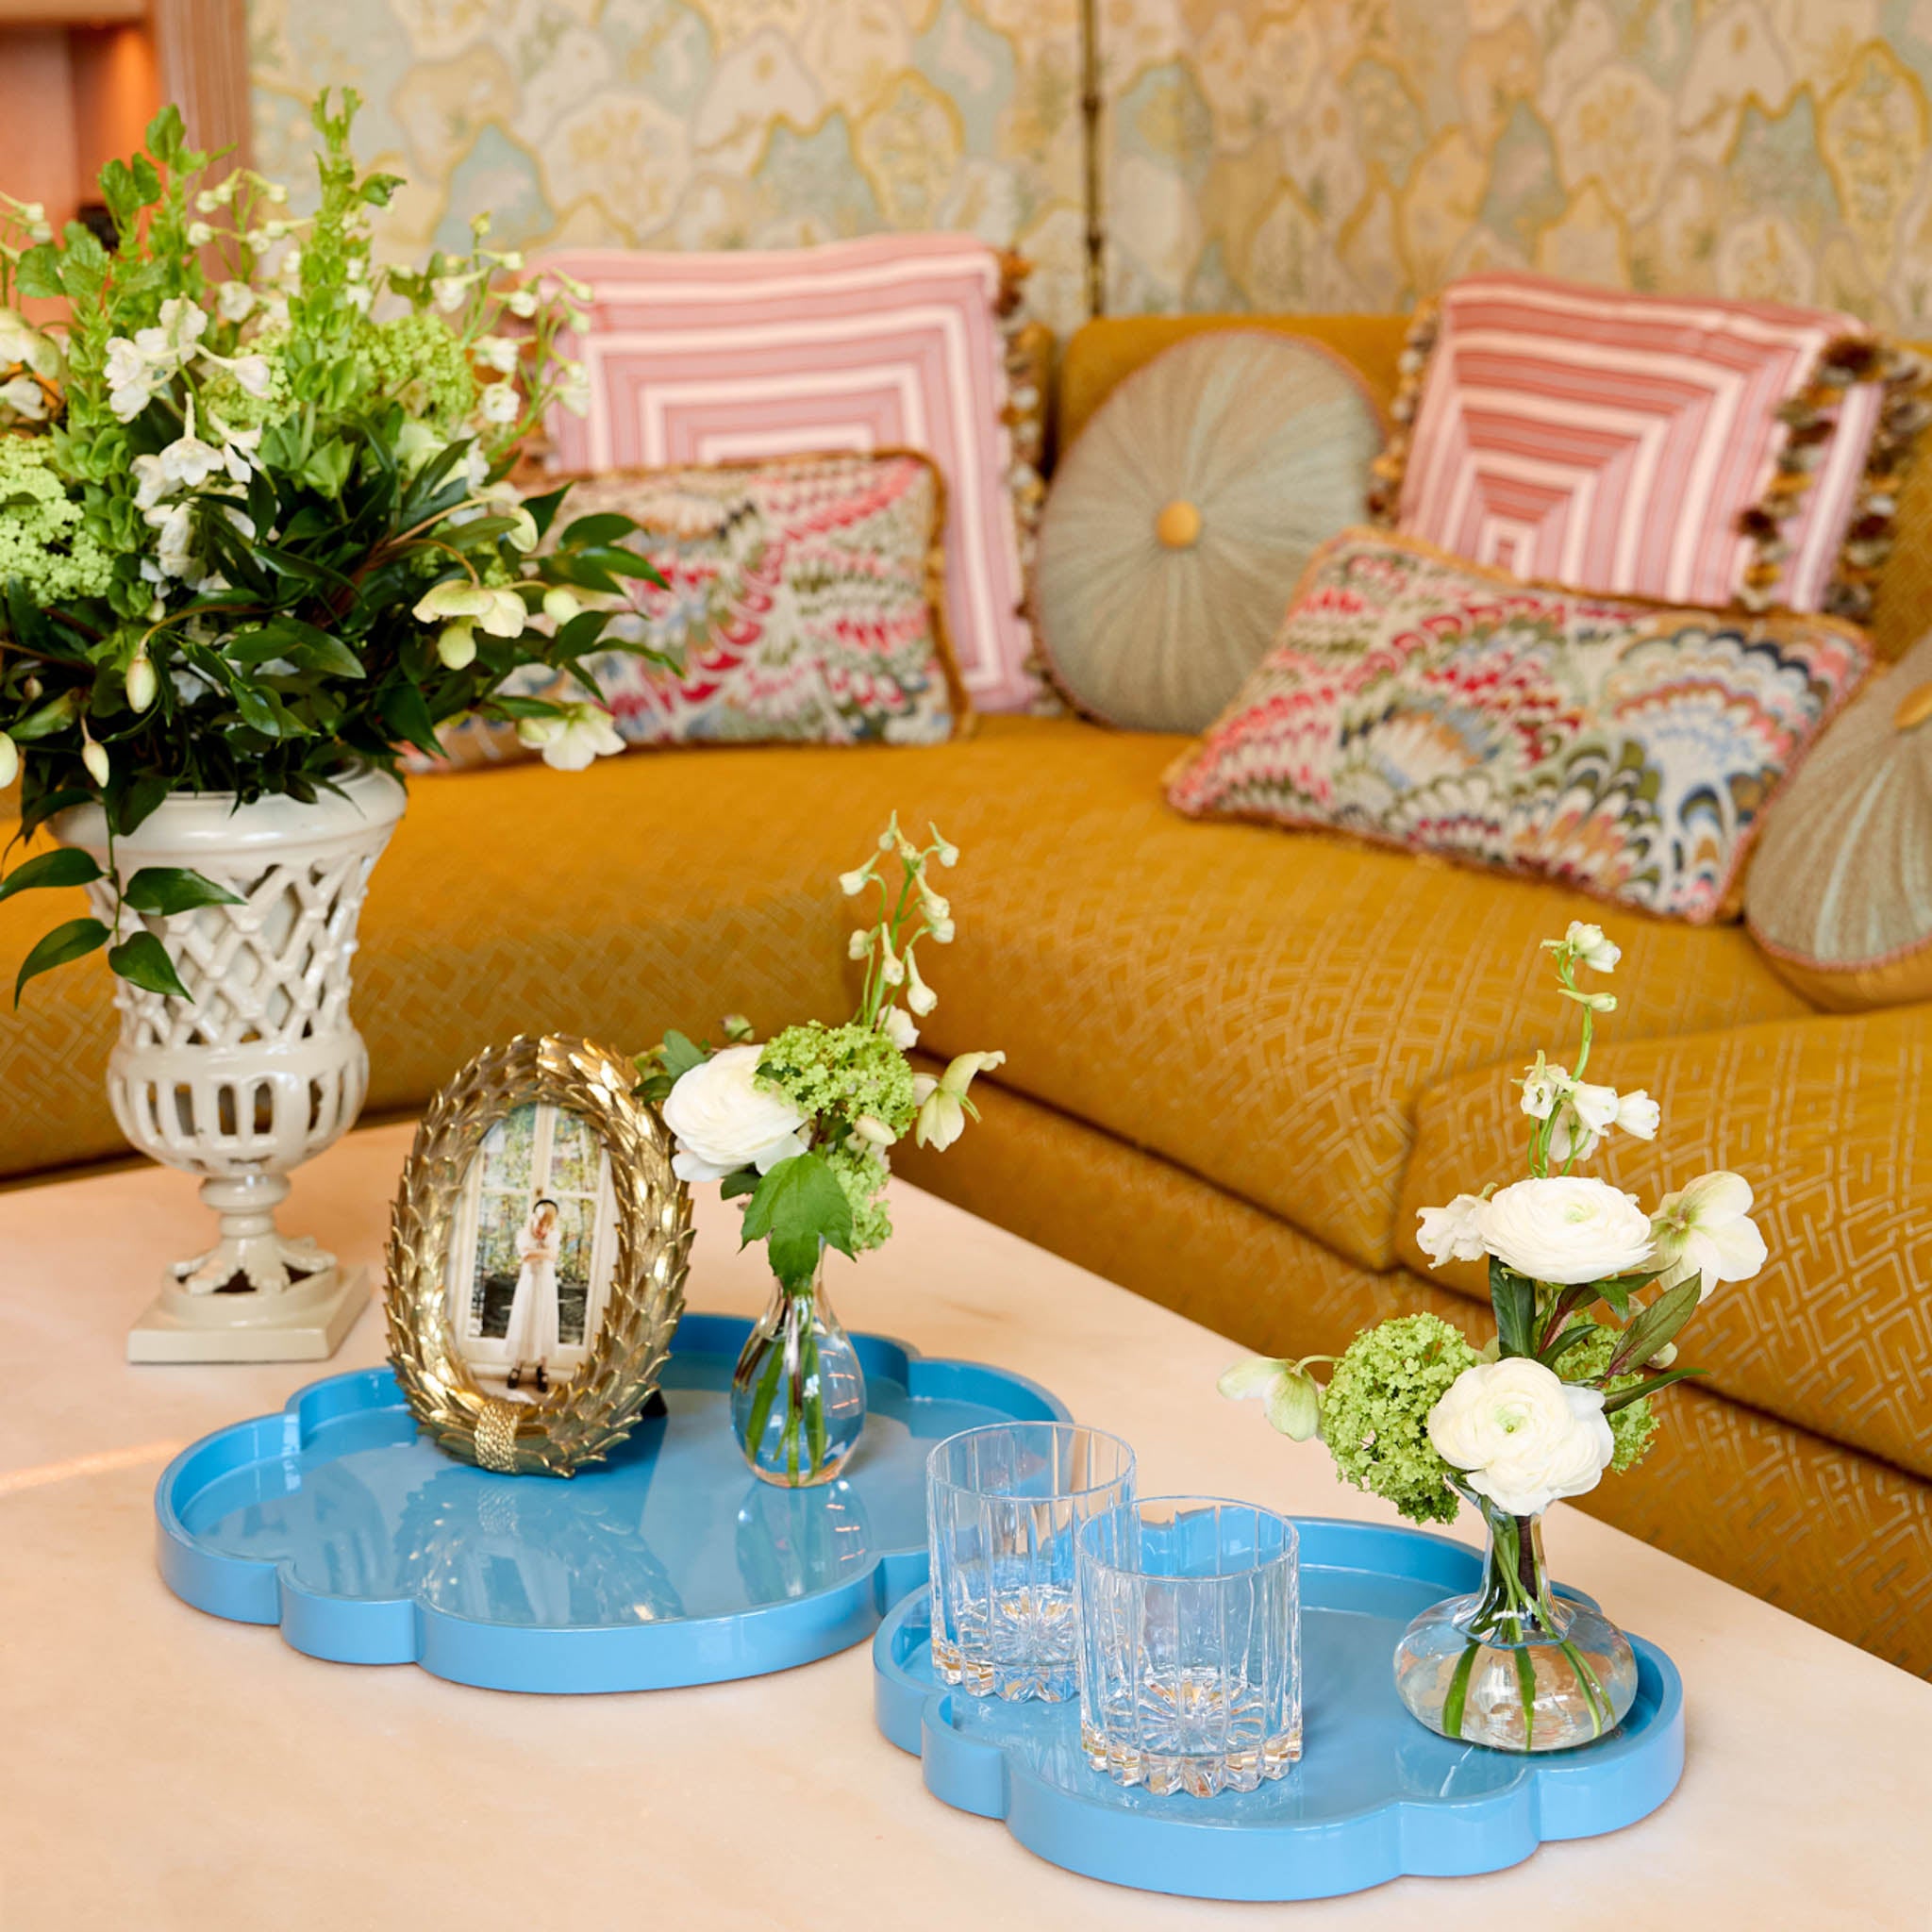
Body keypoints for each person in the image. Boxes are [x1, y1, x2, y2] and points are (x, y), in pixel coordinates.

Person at [502, 1198, 562, 1391]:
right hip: (529, 1285)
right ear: (533, 1219)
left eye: (546, 1227)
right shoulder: (524, 1235)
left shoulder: (554, 1237)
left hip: (546, 1286)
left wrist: (540, 1252)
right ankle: (517, 1364)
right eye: (539, 1224)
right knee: (524, 1320)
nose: (541, 1230)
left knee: (544, 1322)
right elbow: (526, 1256)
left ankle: (543, 1368)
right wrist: (543, 1252)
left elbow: (553, 1255)